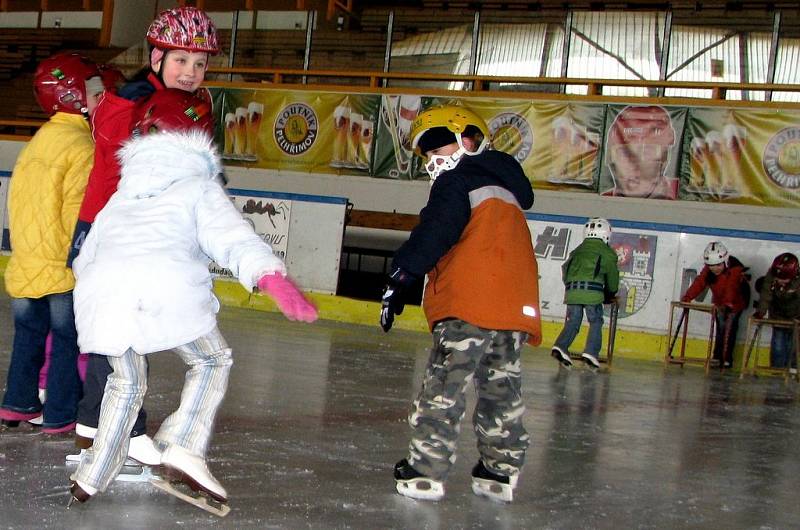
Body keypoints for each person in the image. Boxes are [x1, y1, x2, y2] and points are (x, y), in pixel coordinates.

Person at [67, 89, 318, 510]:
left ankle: (90, 477)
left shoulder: (122, 194)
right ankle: (183, 444)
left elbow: (86, 255)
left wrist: (101, 294)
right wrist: (270, 277)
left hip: (99, 298)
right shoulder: (198, 186)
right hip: (163, 290)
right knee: (210, 360)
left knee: (125, 382)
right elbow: (233, 238)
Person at [66, 5, 220, 468]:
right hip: (110, 225)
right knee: (122, 325)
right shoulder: (128, 99)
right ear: (155, 57)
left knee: (132, 324)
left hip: (152, 229)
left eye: (199, 64)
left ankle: (96, 420)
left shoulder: (198, 103)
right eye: (180, 61)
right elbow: (116, 156)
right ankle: (123, 427)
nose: (190, 72)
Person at [379, 105, 541, 503]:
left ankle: (426, 470)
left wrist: (401, 276)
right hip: (513, 304)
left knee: (445, 385)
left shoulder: (457, 181)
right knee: (501, 388)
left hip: (469, 301)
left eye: (441, 148)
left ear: (471, 140)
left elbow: (437, 231)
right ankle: (499, 472)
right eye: (429, 155)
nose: (435, 160)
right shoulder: (506, 188)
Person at [0, 53, 108, 433]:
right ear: (76, 95)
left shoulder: (37, 143)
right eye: (95, 90)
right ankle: (60, 414)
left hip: (27, 263)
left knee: (28, 337)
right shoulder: (82, 146)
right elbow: (77, 212)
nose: (101, 97)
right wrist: (81, 258)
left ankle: (17, 403)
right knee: (66, 341)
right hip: (61, 266)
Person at [550, 217, 620, 370]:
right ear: (606, 234)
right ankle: (591, 352)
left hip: (572, 291)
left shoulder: (577, 251)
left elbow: (565, 269)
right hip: (592, 292)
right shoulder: (608, 253)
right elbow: (612, 277)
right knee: (595, 321)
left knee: (573, 321)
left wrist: (571, 287)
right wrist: (610, 294)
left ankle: (561, 346)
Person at [681, 241, 750, 369]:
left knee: (730, 328)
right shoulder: (709, 270)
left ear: (724, 261)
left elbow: (731, 287)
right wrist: (688, 296)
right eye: (711, 266)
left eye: (718, 265)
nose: (715, 269)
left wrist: (728, 304)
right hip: (720, 302)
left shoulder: (734, 269)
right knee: (720, 329)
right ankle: (717, 356)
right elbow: (700, 282)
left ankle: (727, 358)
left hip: (735, 303)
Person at [603, 105, 678, 199]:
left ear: (665, 159)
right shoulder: (601, 201)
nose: (634, 165)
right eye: (624, 154)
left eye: (646, 153)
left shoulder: (680, 196)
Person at [754, 253, 800, 372]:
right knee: (778, 344)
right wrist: (760, 312)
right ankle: (777, 369)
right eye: (778, 278)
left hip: (797, 316)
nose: (780, 281)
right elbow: (766, 295)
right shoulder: (771, 277)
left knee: (794, 344)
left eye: (784, 279)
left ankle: (793, 368)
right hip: (778, 314)